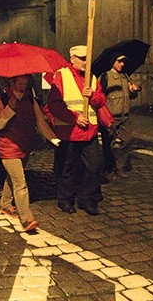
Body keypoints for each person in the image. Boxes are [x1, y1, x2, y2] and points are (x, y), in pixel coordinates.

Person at [0, 75, 60, 232]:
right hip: (8, 146)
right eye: (20, 83)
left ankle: (5, 204)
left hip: (24, 145)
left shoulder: (30, 98)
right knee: (20, 183)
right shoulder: (3, 98)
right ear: (12, 82)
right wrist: (10, 108)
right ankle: (26, 219)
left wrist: (53, 139)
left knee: (14, 177)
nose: (23, 86)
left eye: (25, 83)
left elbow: (40, 121)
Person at [46, 45, 107, 216]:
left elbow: (101, 100)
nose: (85, 62)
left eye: (87, 58)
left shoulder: (92, 78)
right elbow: (54, 104)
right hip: (69, 131)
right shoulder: (62, 76)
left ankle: (86, 198)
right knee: (66, 168)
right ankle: (65, 199)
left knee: (94, 166)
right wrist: (74, 117)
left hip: (89, 131)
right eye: (81, 58)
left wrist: (92, 95)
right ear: (72, 58)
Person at [99, 53, 141, 178]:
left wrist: (133, 90)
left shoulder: (125, 77)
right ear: (113, 62)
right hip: (110, 117)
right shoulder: (105, 76)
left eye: (123, 61)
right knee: (108, 144)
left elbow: (130, 95)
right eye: (119, 61)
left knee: (127, 140)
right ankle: (110, 169)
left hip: (124, 116)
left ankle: (119, 166)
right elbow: (99, 95)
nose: (122, 64)